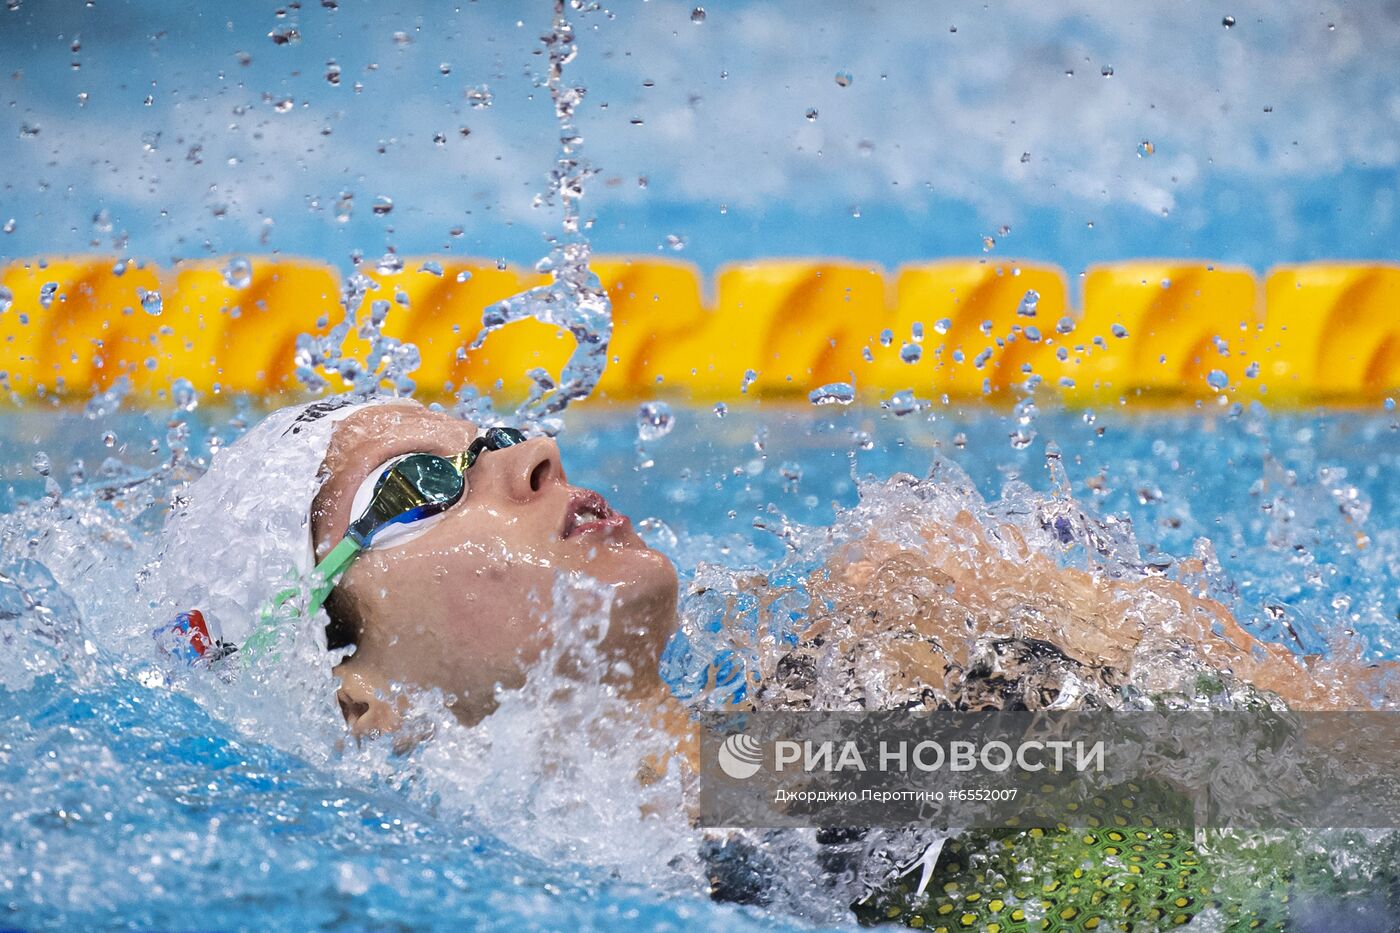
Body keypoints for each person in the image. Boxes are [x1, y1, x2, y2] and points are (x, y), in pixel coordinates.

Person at [150, 395, 1395, 927]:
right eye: (423, 485)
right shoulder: (672, 816)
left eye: (491, 432)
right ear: (354, 695)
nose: (528, 460)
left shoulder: (747, 770)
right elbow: (1345, 783)